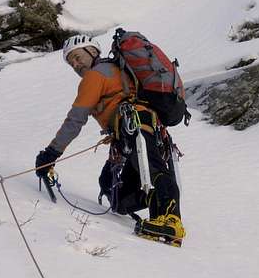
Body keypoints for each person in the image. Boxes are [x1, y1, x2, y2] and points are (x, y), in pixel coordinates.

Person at [35, 34, 185, 242]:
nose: (76, 64)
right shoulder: (114, 71)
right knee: (114, 190)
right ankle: (159, 219)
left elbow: (75, 119)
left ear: (93, 52)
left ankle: (170, 220)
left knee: (151, 168)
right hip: (133, 130)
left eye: (78, 57)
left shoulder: (95, 75)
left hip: (135, 122)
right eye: (72, 62)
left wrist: (50, 154)